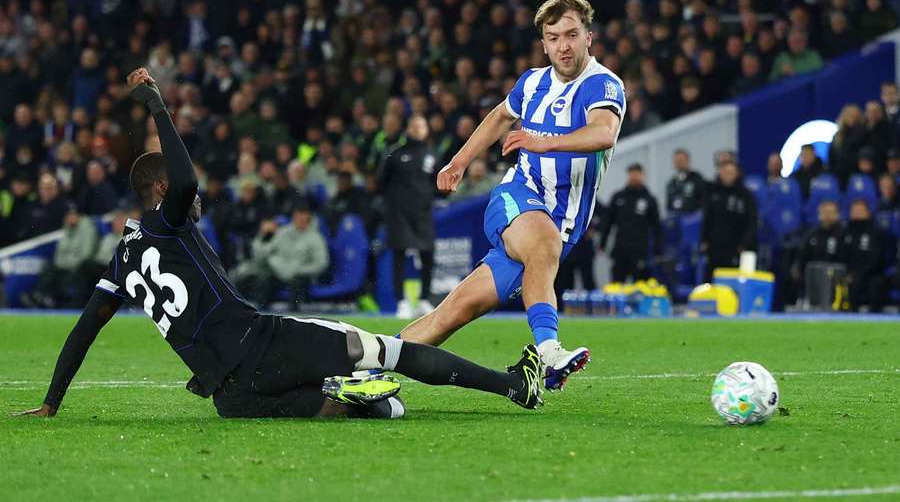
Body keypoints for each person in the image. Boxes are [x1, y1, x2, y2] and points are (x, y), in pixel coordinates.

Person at [15, 68, 543, 420]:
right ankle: (511, 387)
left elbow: (84, 329)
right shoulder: (167, 217)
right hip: (264, 343)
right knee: (390, 351)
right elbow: (187, 185)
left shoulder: (123, 256)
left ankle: (358, 397)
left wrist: (51, 403)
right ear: (159, 191)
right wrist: (158, 108)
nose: (196, 204)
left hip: (230, 396)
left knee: (367, 410)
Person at [399, 0, 625, 390]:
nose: (563, 46)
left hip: (562, 225)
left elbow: (603, 133)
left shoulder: (602, 84)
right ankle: (550, 352)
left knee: (452, 313)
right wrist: (460, 160)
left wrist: (544, 142)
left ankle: (366, 368)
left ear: (589, 37)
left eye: (572, 35)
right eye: (553, 38)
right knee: (542, 242)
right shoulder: (533, 81)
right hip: (517, 197)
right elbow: (501, 115)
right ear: (544, 43)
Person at [378, 114, 437, 319]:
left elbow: (438, 184)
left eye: (421, 125)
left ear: (427, 130)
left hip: (423, 213)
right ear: (407, 129)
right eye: (414, 125)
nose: (418, 129)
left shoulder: (432, 155)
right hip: (399, 214)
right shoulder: (394, 154)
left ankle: (423, 300)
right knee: (399, 256)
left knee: (428, 255)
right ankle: (401, 302)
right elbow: (381, 182)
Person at [233, 202, 329, 309]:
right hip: (278, 273)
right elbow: (261, 255)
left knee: (296, 283)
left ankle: (293, 317)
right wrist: (262, 235)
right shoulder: (283, 233)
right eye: (298, 216)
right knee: (262, 280)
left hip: (301, 275)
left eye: (303, 216)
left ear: (308, 217)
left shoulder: (316, 238)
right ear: (294, 216)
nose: (300, 219)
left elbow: (321, 263)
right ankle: (260, 314)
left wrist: (297, 270)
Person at [598, 163, 662, 282]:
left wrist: (657, 251)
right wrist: (602, 244)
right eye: (631, 174)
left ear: (643, 175)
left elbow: (657, 227)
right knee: (617, 284)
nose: (634, 177)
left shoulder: (649, 200)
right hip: (620, 249)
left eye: (637, 174)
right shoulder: (618, 197)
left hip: (640, 251)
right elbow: (607, 222)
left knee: (640, 284)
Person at [26, 203, 98, 308]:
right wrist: (63, 264)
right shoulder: (66, 229)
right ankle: (40, 296)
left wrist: (66, 263)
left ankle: (59, 302)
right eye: (68, 215)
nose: (70, 218)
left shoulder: (88, 229)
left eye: (72, 215)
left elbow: (86, 254)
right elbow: (59, 254)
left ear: (79, 216)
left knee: (71, 276)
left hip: (78, 267)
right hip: (64, 266)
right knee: (49, 269)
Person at [701, 159, 758, 276]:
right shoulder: (713, 193)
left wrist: (745, 244)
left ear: (737, 173)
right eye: (725, 172)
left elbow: (752, 222)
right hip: (715, 248)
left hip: (736, 249)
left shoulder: (746, 195)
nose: (727, 176)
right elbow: (707, 218)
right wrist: (704, 240)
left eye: (730, 173)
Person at [842, 199, 884, 311]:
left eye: (860, 211)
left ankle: (875, 318)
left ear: (868, 213)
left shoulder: (876, 232)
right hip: (847, 273)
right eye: (855, 211)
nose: (857, 214)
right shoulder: (845, 231)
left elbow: (876, 259)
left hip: (870, 273)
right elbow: (841, 256)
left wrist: (858, 274)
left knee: (875, 284)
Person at [665, 148, 706, 213]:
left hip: (695, 219)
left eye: (681, 160)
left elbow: (704, 200)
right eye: (677, 161)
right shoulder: (671, 184)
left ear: (688, 161)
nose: (679, 163)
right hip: (677, 220)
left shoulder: (697, 178)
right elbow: (668, 206)